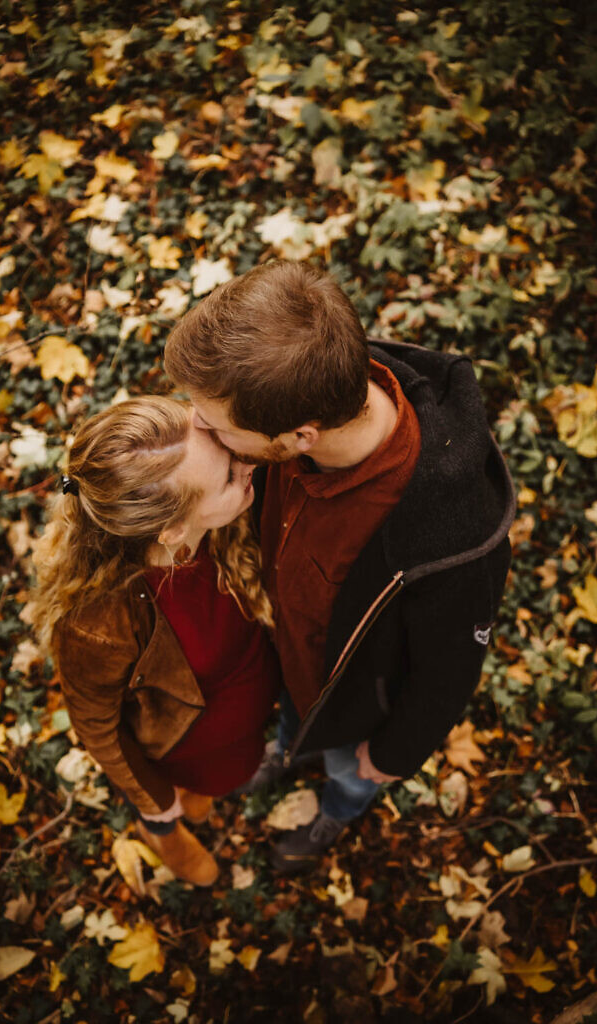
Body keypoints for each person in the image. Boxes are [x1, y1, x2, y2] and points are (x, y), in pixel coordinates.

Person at [164, 260, 516, 873]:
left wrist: (395, 752)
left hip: (359, 709)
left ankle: (338, 810)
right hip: (292, 659)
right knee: (294, 724)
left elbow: (449, 669)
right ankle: (288, 752)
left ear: (301, 436)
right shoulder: (299, 387)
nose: (198, 425)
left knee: (348, 773)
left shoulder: (453, 536)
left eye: (216, 424)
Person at [30, 396, 280, 886]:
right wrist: (159, 807)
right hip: (190, 746)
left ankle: (203, 794)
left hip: (248, 717)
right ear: (172, 530)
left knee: (219, 787)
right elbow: (99, 729)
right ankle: (163, 835)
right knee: (192, 796)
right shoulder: (97, 626)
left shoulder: (225, 518)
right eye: (227, 476)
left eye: (225, 446)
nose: (247, 465)